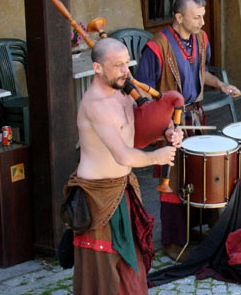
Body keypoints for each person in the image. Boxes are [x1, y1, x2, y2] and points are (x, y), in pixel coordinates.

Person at [65, 38, 183, 294]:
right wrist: (157, 157)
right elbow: (123, 155)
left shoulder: (123, 95)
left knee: (131, 270)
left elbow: (140, 132)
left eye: (126, 63)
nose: (125, 71)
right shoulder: (96, 106)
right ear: (97, 68)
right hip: (98, 198)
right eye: (117, 65)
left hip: (123, 190)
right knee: (107, 274)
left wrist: (170, 132)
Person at [135, 0, 240, 260]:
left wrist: (221, 85)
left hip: (195, 117)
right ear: (179, 17)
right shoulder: (156, 47)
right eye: (197, 17)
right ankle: (172, 241)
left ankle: (195, 230)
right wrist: (164, 123)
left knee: (199, 173)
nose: (203, 22)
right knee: (172, 180)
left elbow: (200, 72)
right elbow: (141, 93)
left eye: (203, 15)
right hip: (169, 122)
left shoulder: (201, 40)